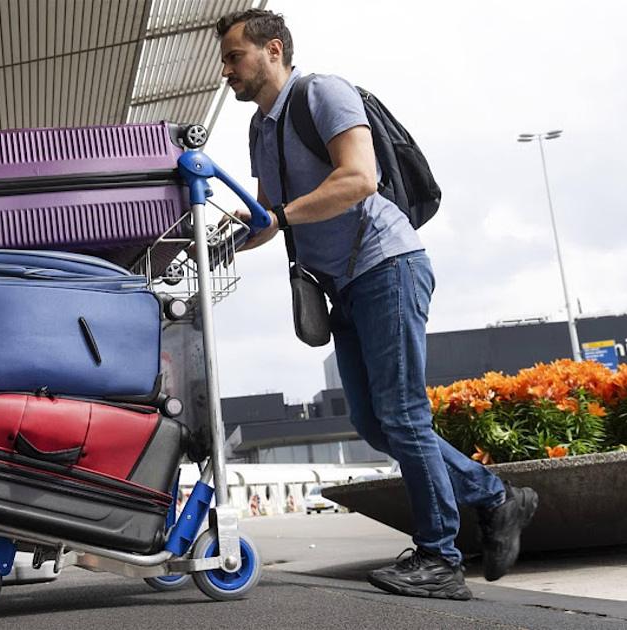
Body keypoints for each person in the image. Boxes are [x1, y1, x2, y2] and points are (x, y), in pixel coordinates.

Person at [215, 9, 539, 600]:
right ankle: (496, 497)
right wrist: (228, 237)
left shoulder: (324, 93)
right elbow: (270, 215)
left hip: (385, 264)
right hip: (341, 282)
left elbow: (358, 179)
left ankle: (441, 558)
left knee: (404, 415)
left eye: (234, 56)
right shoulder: (260, 130)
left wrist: (281, 217)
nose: (226, 70)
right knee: (374, 422)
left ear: (274, 50)